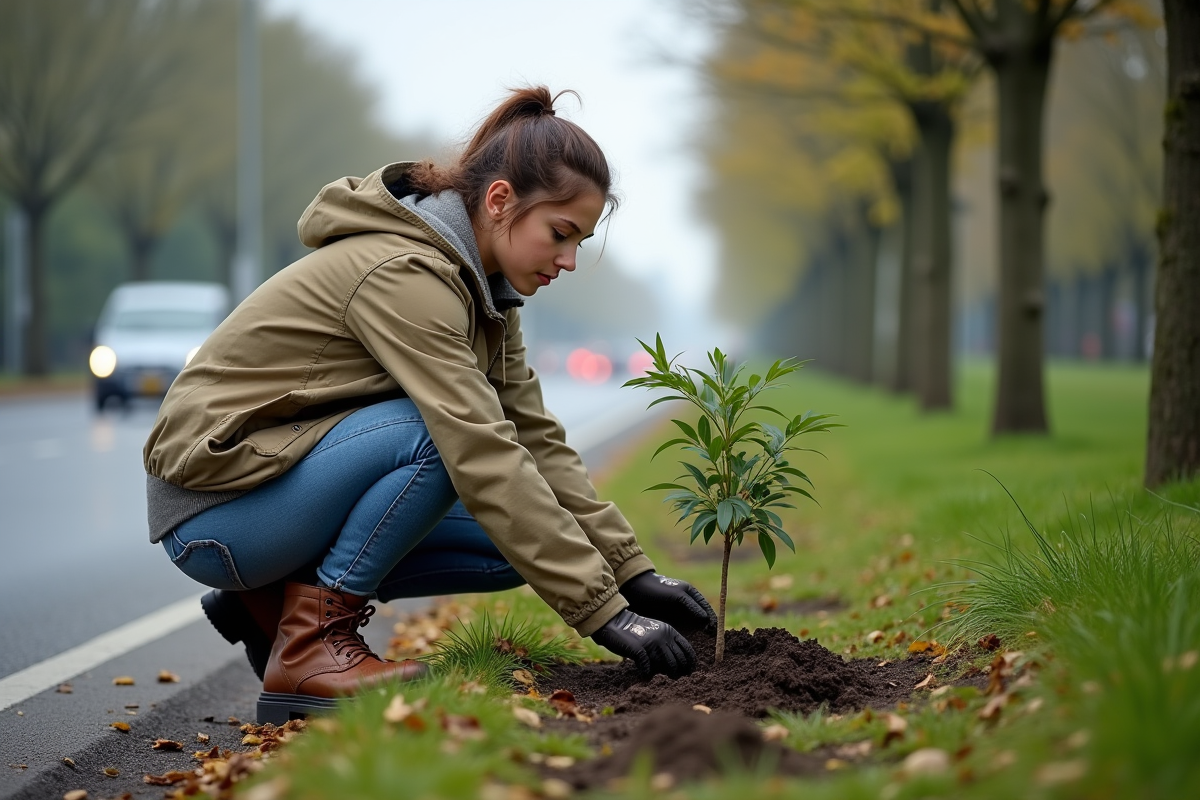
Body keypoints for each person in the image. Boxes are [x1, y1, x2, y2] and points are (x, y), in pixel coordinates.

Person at [143, 86, 717, 724]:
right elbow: (480, 445)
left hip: (268, 490)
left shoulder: (485, 296)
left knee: (513, 542)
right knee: (439, 438)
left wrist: (629, 573)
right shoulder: (404, 273)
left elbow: (535, 439)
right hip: (216, 511)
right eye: (561, 233)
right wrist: (605, 616)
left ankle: (271, 605)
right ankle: (308, 649)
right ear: (500, 200)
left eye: (580, 241)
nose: (570, 259)